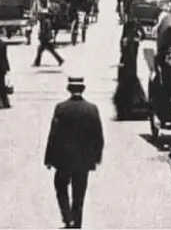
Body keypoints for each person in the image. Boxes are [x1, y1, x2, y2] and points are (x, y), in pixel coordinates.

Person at [44, 76, 104, 229]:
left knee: (61, 187)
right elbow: (98, 135)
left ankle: (67, 217)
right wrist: (96, 157)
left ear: (69, 89)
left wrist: (49, 158)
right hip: (83, 160)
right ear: (83, 90)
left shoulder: (61, 108)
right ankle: (77, 223)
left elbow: (54, 134)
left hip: (63, 159)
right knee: (79, 193)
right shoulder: (92, 109)